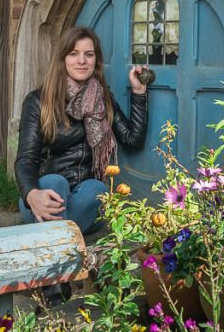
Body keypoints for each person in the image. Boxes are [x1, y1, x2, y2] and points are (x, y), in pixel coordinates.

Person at [15, 25, 148, 235]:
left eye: (89, 54)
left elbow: (133, 139)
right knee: (54, 181)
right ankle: (64, 244)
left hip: (83, 198)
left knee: (97, 190)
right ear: (63, 59)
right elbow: (26, 159)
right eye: (74, 54)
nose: (82, 61)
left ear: (96, 61)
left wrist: (138, 93)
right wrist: (31, 194)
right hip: (43, 195)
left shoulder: (102, 99)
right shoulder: (38, 101)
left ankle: (52, 238)